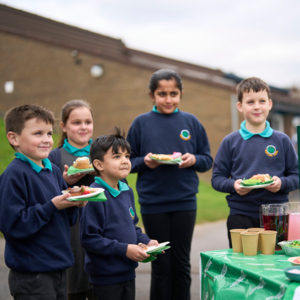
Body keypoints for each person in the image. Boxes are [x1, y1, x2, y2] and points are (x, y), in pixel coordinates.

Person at [126, 69, 213, 300]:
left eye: (173, 93)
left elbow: (207, 159)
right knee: (162, 264)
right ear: (151, 95)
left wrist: (194, 159)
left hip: (185, 202)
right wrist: (144, 162)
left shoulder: (191, 122)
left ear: (181, 94)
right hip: (153, 203)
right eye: (162, 93)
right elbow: (126, 162)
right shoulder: (141, 123)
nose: (168, 99)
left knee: (181, 262)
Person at [0, 104, 85, 300]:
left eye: (49, 133)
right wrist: (52, 205)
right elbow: (13, 226)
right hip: (33, 274)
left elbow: (66, 220)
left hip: (59, 267)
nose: (47, 140)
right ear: (14, 138)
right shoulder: (14, 175)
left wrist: (73, 204)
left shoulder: (53, 171)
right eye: (38, 133)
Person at [211, 77, 299, 247]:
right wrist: (234, 185)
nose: (257, 106)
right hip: (240, 215)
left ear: (270, 104)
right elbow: (217, 179)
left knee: (275, 264)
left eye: (262, 101)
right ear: (240, 106)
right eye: (250, 102)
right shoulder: (230, 141)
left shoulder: (282, 140)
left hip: (277, 215)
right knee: (243, 266)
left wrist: (281, 183)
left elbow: (296, 176)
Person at [79, 127, 158, 300]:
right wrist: (125, 249)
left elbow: (133, 226)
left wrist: (146, 241)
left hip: (128, 272)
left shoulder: (127, 190)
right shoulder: (94, 195)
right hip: (105, 278)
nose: (125, 161)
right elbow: (89, 239)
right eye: (117, 156)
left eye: (127, 156)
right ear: (99, 164)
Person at [48, 99, 95, 300]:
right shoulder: (53, 157)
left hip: (101, 228)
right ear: (64, 127)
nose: (83, 127)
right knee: (73, 287)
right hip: (70, 234)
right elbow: (45, 195)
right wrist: (63, 181)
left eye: (88, 122)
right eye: (76, 122)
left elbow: (122, 186)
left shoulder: (106, 153)